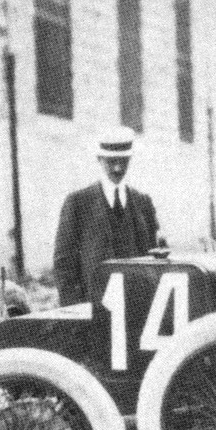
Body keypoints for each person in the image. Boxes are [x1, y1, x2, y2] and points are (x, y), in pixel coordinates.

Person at [53, 126, 160, 306]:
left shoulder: (143, 203)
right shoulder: (78, 203)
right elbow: (64, 264)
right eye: (111, 161)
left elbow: (154, 261)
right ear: (99, 159)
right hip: (95, 308)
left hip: (138, 307)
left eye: (123, 161)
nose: (118, 168)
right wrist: (76, 309)